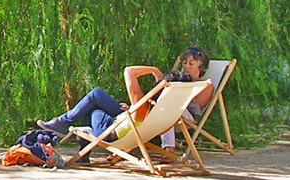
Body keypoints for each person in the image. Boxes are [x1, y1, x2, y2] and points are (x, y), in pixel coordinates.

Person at [36, 46, 214, 160]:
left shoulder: (202, 87)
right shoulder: (158, 106)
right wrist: (136, 108)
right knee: (94, 106)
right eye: (184, 63)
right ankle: (75, 136)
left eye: (191, 63)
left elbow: (179, 109)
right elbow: (162, 110)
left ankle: (65, 123)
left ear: (201, 68)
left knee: (95, 96)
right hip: (135, 117)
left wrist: (155, 74)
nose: (185, 66)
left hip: (123, 126)